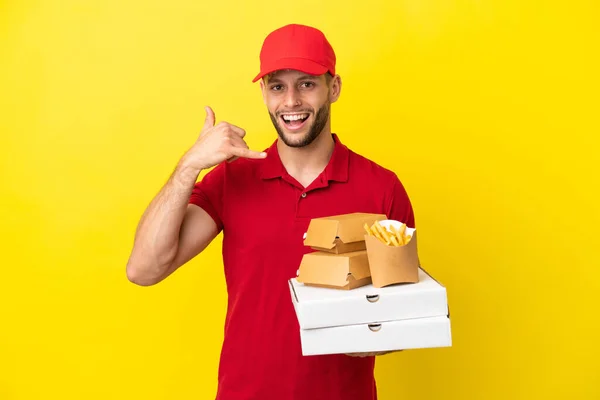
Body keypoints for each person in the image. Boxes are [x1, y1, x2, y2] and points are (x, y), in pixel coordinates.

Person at [126, 23, 416, 400]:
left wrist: (377, 337)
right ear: (264, 94)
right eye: (278, 86)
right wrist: (189, 166)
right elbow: (144, 269)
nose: (291, 101)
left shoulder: (382, 188)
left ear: (335, 87)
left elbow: (406, 311)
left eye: (307, 84)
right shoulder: (231, 181)